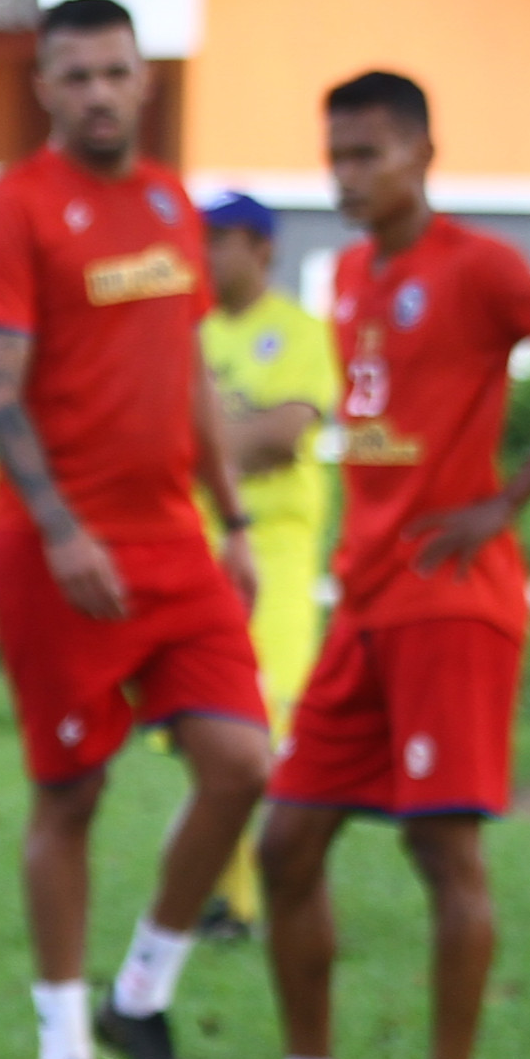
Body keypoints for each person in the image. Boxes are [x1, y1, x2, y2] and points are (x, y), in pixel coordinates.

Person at [232, 72, 530, 1059]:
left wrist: (503, 502)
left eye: (369, 154)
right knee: (286, 842)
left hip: (452, 602)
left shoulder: (481, 266)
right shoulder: (354, 275)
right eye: (338, 157)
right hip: (363, 598)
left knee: (442, 852)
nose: (349, 176)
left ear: (421, 153)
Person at [0, 0, 270, 1059]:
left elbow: (187, 369)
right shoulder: (14, 210)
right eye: (75, 75)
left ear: (146, 80)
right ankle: (65, 1050)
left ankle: (142, 990)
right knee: (72, 792)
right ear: (44, 89)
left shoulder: (171, 202)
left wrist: (232, 517)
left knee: (243, 768)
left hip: (175, 544)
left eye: (114, 72)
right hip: (57, 549)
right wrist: (60, 530)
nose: (97, 92)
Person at [191, 190, 342, 940]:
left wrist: (206, 440)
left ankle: (263, 889)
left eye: (221, 238)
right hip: (196, 546)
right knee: (210, 726)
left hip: (274, 553)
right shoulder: (184, 333)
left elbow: (282, 435)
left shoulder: (300, 332)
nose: (206, 252)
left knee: (268, 714)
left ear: (262, 249)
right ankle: (232, 891)